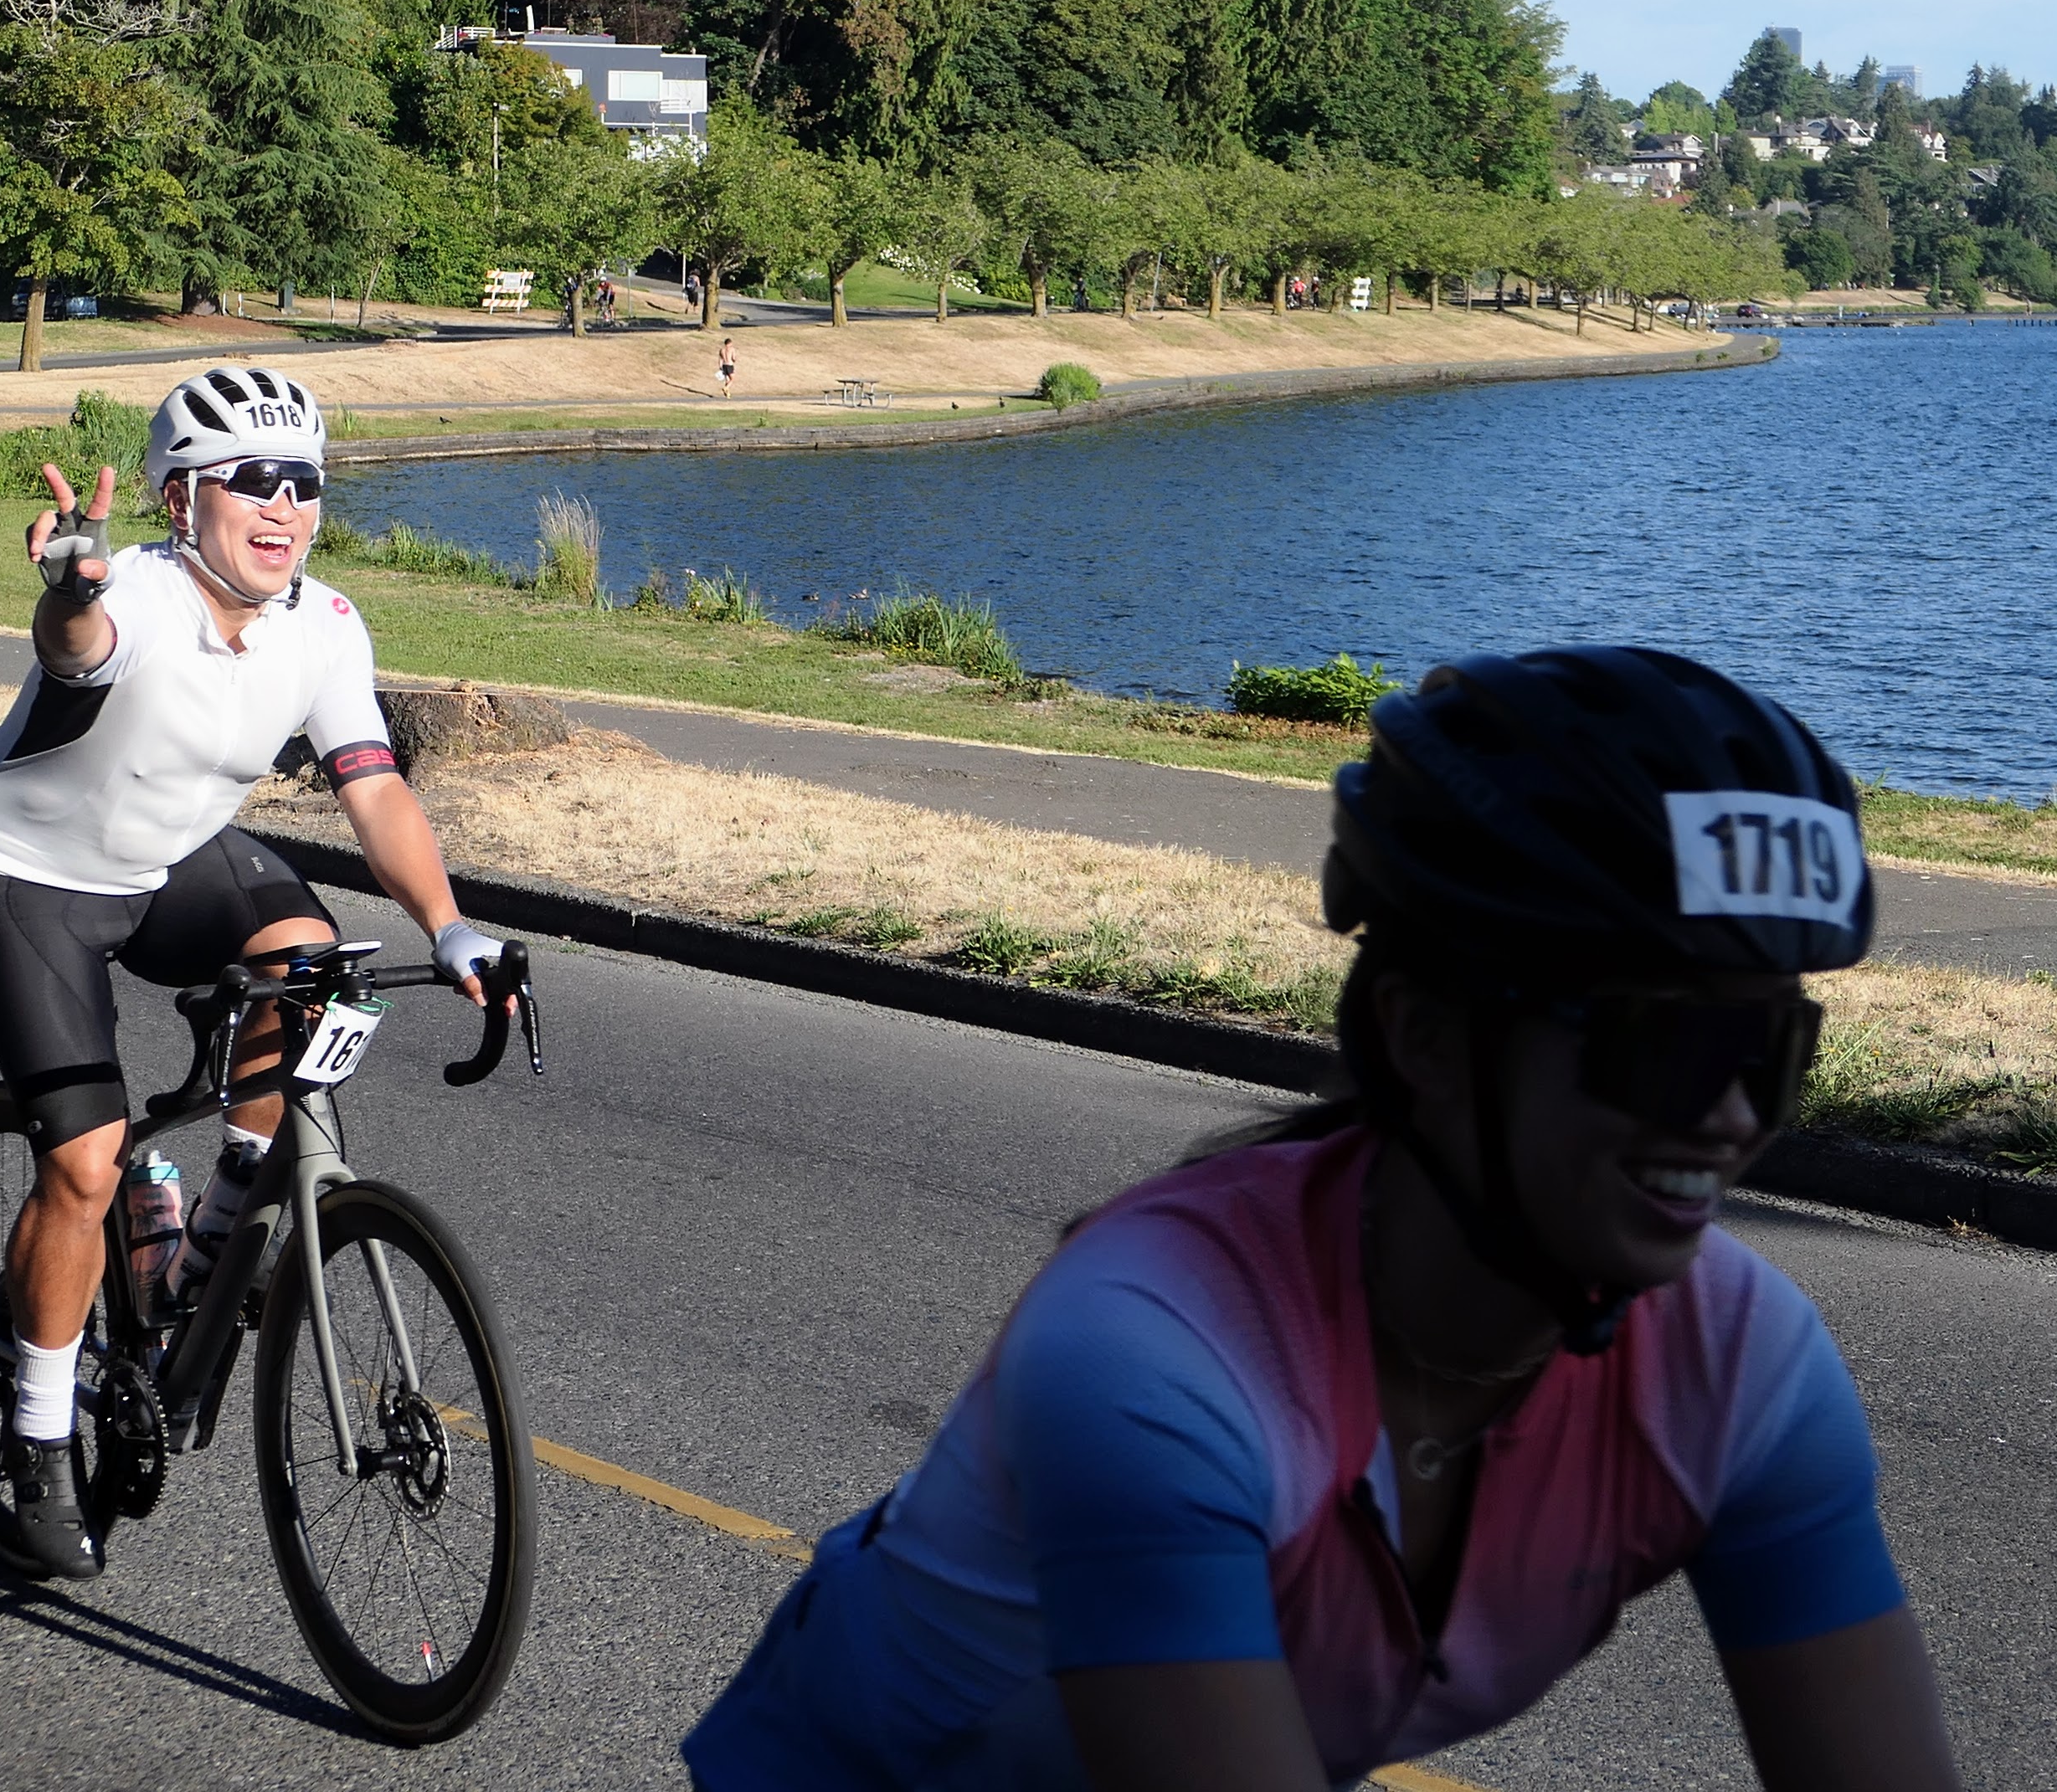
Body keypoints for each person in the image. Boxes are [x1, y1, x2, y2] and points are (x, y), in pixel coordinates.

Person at [687, 646, 1958, 1792]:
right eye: (1665, 1046)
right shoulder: (1147, 1345)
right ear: (1427, 1036)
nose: (1734, 1116)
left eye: (1772, 1050)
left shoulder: (1739, 1364)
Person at [0, 365, 517, 1582]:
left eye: (303, 482)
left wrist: (449, 924)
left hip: (166, 861)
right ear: (178, 497)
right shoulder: (136, 596)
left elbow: (374, 787)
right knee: (84, 1164)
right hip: (29, 873)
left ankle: (217, 1221)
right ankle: (38, 1433)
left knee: (315, 964)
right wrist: (70, 589)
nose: (282, 506)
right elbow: (78, 649)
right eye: (251, 480)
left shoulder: (326, 624)